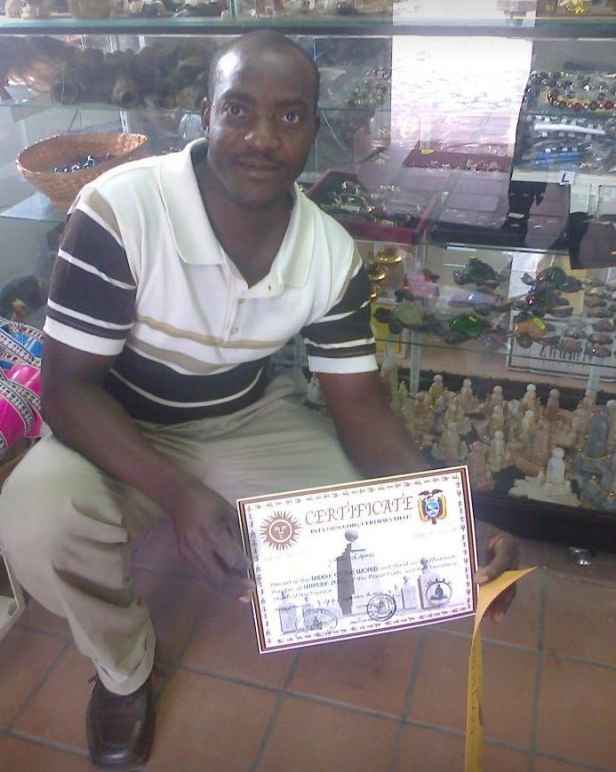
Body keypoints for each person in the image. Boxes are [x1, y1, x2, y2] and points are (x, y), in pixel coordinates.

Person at [0, 31, 518, 770]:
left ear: (314, 129)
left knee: (373, 530)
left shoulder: (329, 252)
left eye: (290, 117)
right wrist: (179, 494)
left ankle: (284, 582)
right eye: (239, 110)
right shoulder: (120, 211)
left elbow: (362, 411)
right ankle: (123, 670)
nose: (262, 138)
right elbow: (65, 391)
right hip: (115, 423)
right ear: (205, 115)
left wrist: (456, 518)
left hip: (246, 418)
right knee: (33, 521)